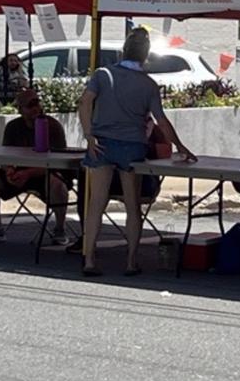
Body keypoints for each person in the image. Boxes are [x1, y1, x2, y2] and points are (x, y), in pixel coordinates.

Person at [78, 28, 196, 277]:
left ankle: (89, 259)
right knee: (133, 206)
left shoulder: (103, 74)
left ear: (123, 51)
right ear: (145, 58)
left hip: (101, 144)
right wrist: (181, 146)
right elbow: (161, 121)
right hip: (132, 146)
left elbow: (85, 102)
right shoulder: (149, 84)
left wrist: (89, 135)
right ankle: (131, 261)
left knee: (96, 204)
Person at [0, 88, 70, 245]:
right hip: (20, 173)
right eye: (30, 105)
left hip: (47, 174)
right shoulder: (13, 127)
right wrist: (9, 171)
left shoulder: (53, 126)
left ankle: (60, 228)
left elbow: (58, 163)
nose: (35, 108)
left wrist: (29, 173)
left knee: (57, 184)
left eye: (37, 103)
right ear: (20, 109)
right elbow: (5, 156)